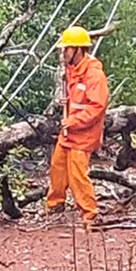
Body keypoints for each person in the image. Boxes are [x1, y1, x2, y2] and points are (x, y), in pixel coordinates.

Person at [45, 25, 109, 228]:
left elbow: (97, 107)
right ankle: (55, 205)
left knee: (77, 175)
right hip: (69, 132)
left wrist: (73, 121)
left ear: (78, 49)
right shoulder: (71, 69)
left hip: (84, 134)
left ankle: (90, 215)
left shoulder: (94, 75)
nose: (64, 53)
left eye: (67, 49)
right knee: (57, 167)